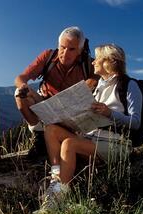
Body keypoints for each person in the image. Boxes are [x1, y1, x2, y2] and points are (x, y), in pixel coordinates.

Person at [40, 44, 142, 209]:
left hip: (116, 143)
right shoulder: (98, 87)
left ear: (109, 62)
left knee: (69, 144)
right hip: (90, 138)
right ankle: (56, 176)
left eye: (98, 59)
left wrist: (110, 113)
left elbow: (136, 122)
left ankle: (58, 197)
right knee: (51, 129)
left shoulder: (129, 86)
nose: (93, 62)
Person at [14, 26, 98, 157]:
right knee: (19, 95)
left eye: (71, 49)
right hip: (45, 102)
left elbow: (95, 82)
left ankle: (63, 140)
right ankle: (39, 136)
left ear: (80, 51)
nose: (65, 53)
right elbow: (21, 78)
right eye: (62, 47)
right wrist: (23, 86)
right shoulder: (48, 56)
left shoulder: (90, 65)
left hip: (70, 109)